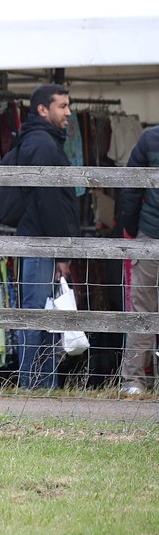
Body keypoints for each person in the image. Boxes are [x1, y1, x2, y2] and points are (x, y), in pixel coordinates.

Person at [13, 83, 79, 390]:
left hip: (40, 240)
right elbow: (48, 201)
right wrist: (61, 251)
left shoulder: (43, 140)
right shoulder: (42, 144)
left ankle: (41, 385)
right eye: (62, 106)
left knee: (43, 315)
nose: (68, 112)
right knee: (38, 315)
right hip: (41, 242)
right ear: (43, 109)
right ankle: (34, 387)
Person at [118, 124, 159, 396]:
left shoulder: (150, 137)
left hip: (150, 232)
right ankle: (133, 379)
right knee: (143, 306)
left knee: (142, 307)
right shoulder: (150, 138)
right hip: (150, 230)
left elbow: (131, 190)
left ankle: (134, 381)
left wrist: (132, 229)